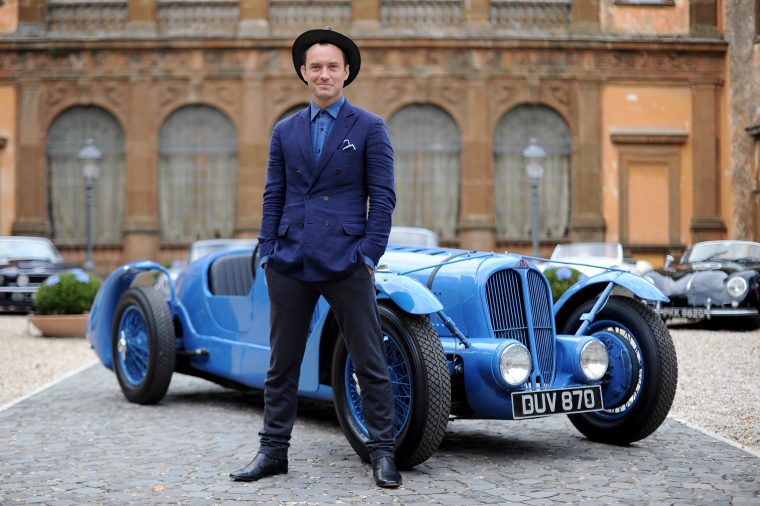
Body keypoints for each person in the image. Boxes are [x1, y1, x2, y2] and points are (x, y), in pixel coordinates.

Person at [229, 28, 401, 488]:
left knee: (369, 360)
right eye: (315, 66)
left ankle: (383, 452)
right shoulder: (285, 130)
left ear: (346, 72)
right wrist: (267, 251)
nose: (324, 73)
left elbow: (382, 198)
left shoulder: (369, 127)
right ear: (303, 73)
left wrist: (367, 255)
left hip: (347, 260)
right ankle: (273, 452)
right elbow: (274, 194)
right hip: (289, 259)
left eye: (332, 66)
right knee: (281, 363)